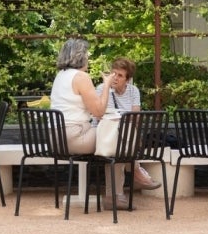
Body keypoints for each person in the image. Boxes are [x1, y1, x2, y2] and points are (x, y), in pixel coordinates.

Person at [50, 38, 130, 210]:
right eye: (87, 55)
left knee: (115, 136)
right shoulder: (81, 77)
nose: (88, 58)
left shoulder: (60, 76)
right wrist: (107, 85)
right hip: (75, 137)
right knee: (120, 137)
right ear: (80, 56)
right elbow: (99, 111)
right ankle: (116, 194)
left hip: (56, 138)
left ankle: (128, 180)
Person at [95, 56, 161, 191]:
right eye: (114, 74)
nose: (115, 78)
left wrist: (118, 118)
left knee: (120, 148)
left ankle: (115, 196)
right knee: (120, 148)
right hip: (104, 134)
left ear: (128, 79)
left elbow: (135, 117)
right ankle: (137, 173)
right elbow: (98, 116)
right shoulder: (102, 88)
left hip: (125, 134)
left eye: (120, 75)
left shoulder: (133, 90)